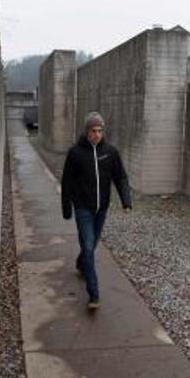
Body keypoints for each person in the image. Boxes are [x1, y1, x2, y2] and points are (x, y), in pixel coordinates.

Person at [60, 112, 131, 310]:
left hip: (102, 209)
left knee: (90, 246)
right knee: (89, 246)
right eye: (93, 131)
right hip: (83, 208)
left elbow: (120, 177)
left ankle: (81, 263)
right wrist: (67, 208)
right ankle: (94, 294)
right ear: (86, 131)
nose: (97, 134)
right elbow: (67, 182)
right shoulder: (75, 153)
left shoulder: (110, 152)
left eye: (100, 130)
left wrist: (126, 201)